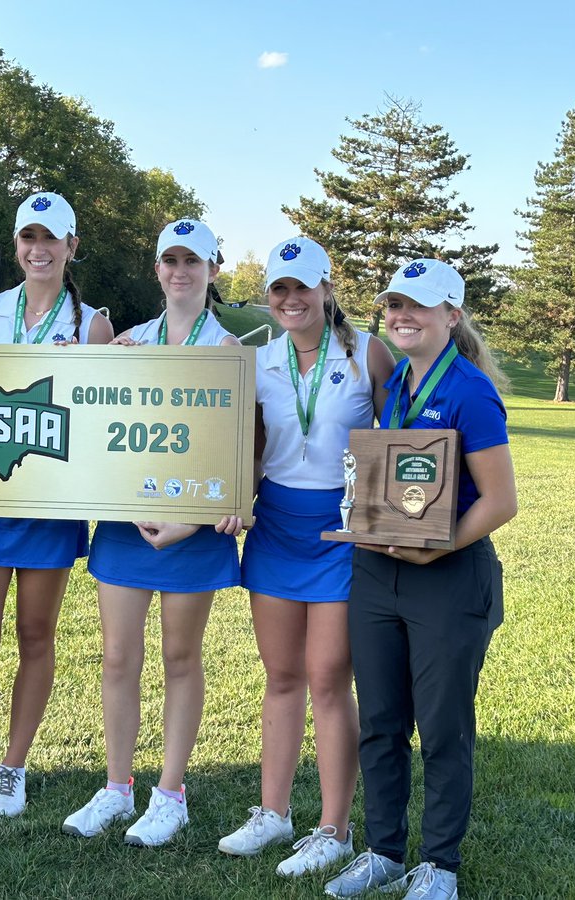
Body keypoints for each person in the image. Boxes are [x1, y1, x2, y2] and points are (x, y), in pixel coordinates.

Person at [324, 259, 517, 900]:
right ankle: (382, 849)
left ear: (451, 315)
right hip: (378, 572)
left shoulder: (469, 389)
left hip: (448, 576)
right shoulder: (397, 383)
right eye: (393, 305)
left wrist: (439, 550)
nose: (401, 316)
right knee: (380, 719)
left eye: (418, 306)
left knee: (442, 728)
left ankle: (438, 865)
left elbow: (500, 501)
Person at [61, 219, 244, 846]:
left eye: (193, 261)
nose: (180, 272)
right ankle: (117, 787)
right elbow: (86, 419)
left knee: (179, 657)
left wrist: (190, 519)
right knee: (117, 656)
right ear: (157, 269)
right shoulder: (129, 342)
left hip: (192, 532)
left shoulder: (229, 354)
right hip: (125, 525)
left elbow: (241, 453)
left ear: (214, 271)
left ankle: (171, 794)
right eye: (170, 260)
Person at [0, 191, 113, 819]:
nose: (39, 250)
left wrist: (85, 372)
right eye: (28, 239)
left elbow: (100, 419)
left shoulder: (92, 325)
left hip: (50, 504)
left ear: (70, 247)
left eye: (51, 240)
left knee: (35, 635)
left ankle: (14, 767)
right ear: (17, 246)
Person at [220, 237, 395, 877]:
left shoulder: (366, 352)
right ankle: (273, 813)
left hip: (340, 529)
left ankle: (334, 827)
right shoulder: (257, 359)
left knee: (328, 678)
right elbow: (239, 438)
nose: (291, 300)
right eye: (279, 290)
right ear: (270, 297)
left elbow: (405, 429)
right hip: (275, 526)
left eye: (302, 287)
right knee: (282, 677)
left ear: (326, 288)